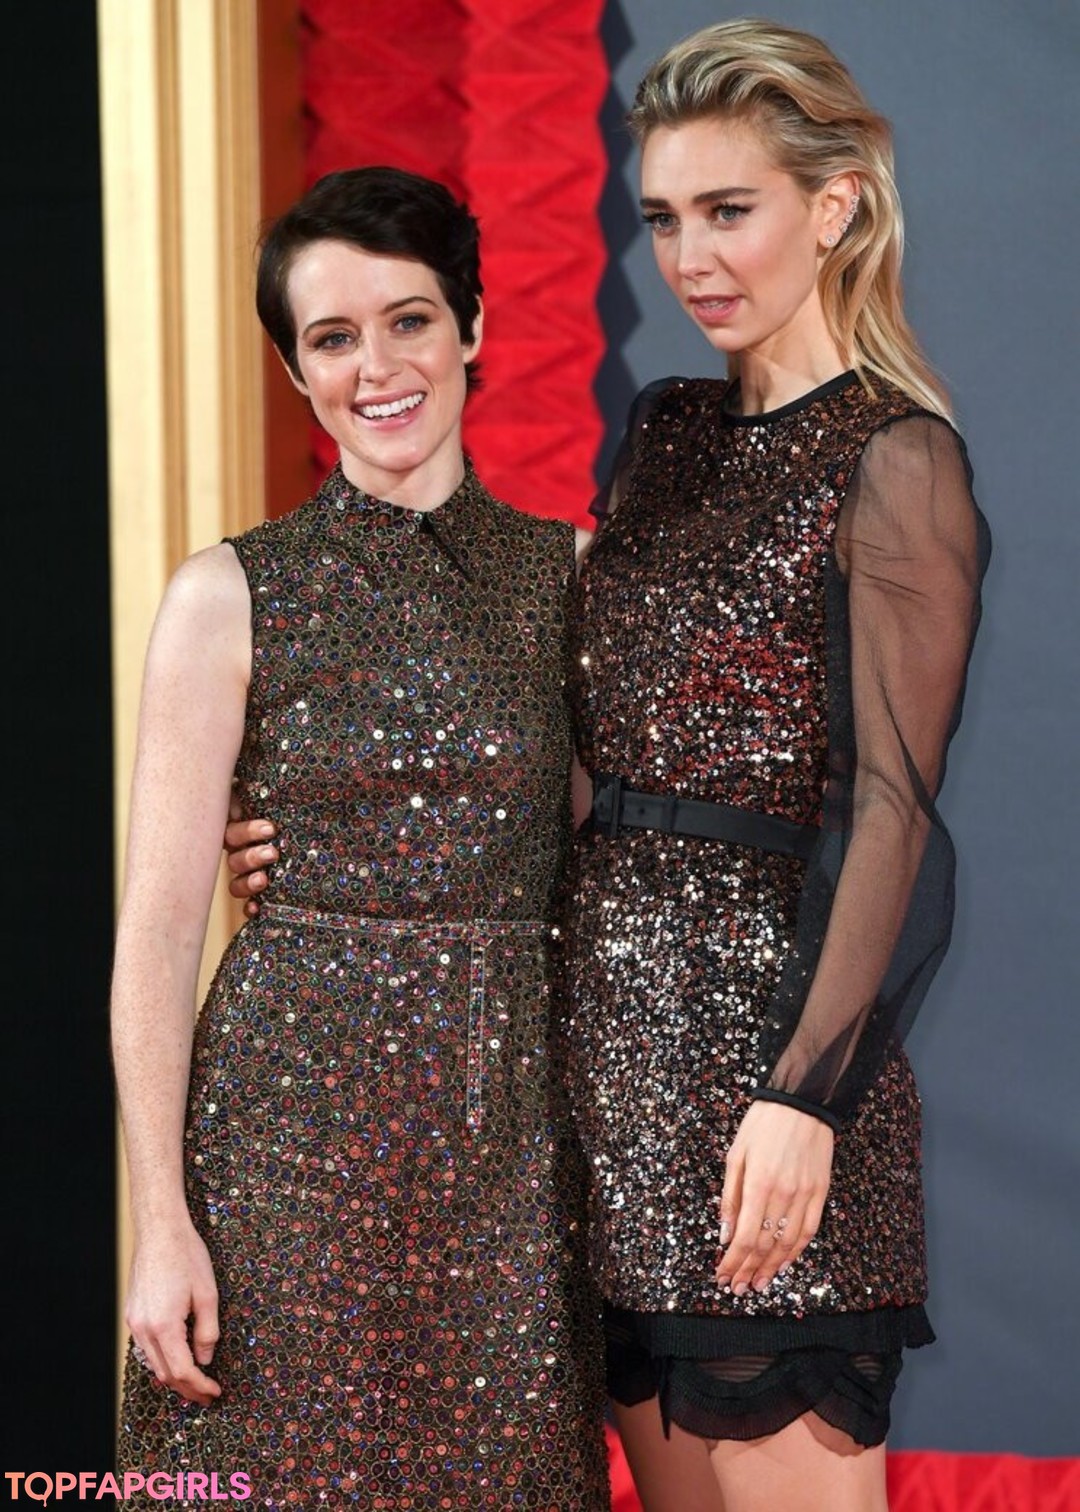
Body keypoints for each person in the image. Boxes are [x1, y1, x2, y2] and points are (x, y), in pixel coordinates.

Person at [227, 22, 990, 1511]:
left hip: (767, 1092)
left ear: (835, 206)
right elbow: (579, 749)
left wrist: (806, 1099)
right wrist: (319, 835)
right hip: (601, 1096)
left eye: (730, 210)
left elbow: (893, 808)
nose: (691, 258)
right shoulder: (668, 431)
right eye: (663, 218)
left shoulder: (896, 458)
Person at [111, 165, 610, 1509]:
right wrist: (161, 1225)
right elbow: (156, 936)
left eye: (409, 320)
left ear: (473, 327)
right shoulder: (226, 596)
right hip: (279, 1155)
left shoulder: (568, 579)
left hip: (508, 1157)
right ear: (296, 371)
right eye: (333, 338)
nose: (377, 368)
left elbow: (613, 875)